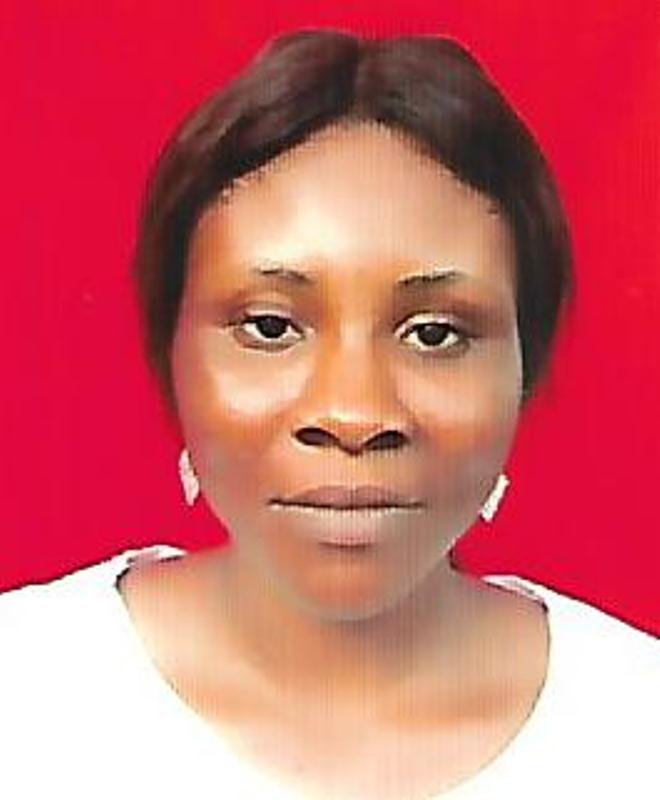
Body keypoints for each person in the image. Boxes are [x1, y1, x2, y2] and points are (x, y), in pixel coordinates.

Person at [0, 28, 657, 800]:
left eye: (435, 334)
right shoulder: (26, 692)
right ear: (170, 352)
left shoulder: (635, 728)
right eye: (270, 326)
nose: (353, 414)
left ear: (524, 366)